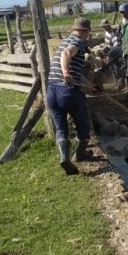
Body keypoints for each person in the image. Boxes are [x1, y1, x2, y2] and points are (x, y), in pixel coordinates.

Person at [46, 17, 99, 175]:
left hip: (52, 91)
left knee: (61, 128)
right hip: (67, 92)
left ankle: (64, 157)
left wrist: (91, 86)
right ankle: (79, 154)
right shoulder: (78, 43)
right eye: (88, 32)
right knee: (83, 126)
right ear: (85, 31)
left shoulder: (65, 40)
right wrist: (66, 73)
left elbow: (77, 74)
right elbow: (66, 54)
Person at [99, 18, 124, 89]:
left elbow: (117, 44)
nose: (103, 27)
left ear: (108, 25)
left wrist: (110, 52)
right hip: (110, 52)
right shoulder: (107, 32)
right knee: (112, 68)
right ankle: (115, 82)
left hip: (114, 53)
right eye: (103, 26)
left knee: (117, 69)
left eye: (105, 26)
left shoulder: (113, 33)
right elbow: (107, 42)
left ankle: (120, 85)